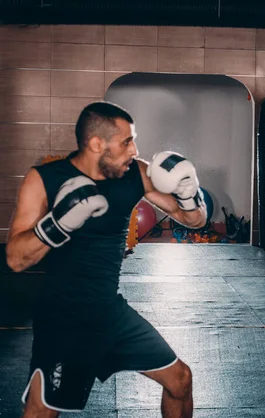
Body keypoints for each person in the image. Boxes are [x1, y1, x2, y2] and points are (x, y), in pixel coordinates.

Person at [6, 101, 207, 417]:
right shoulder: (44, 178)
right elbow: (16, 259)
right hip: (63, 320)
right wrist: (57, 223)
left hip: (110, 313)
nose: (134, 149)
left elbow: (193, 220)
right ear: (97, 143)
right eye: (127, 141)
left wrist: (188, 194)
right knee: (42, 410)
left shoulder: (135, 174)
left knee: (180, 380)